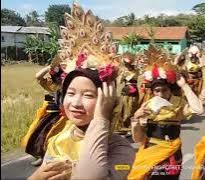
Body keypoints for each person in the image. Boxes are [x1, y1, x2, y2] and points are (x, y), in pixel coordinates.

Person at [28, 3, 135, 179]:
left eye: (88, 95)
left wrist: (102, 117)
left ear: (106, 97)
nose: (76, 103)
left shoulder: (121, 149)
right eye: (70, 93)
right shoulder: (58, 139)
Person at [128, 45, 204, 180]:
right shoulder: (147, 105)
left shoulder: (178, 103)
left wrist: (184, 85)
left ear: (170, 89)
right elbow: (138, 139)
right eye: (157, 91)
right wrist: (135, 120)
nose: (161, 94)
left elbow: (199, 109)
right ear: (152, 91)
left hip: (172, 153)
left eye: (164, 90)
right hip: (151, 151)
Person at [21, 62, 64, 166]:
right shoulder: (50, 84)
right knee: (39, 135)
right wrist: (49, 67)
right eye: (54, 77)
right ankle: (41, 155)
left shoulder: (67, 84)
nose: (57, 79)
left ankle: (51, 157)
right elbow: (38, 76)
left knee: (54, 138)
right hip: (49, 114)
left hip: (63, 116)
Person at [113, 52, 139, 135]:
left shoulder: (136, 70)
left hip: (134, 91)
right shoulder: (121, 70)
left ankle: (129, 126)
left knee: (132, 108)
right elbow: (119, 80)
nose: (128, 64)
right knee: (123, 108)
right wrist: (123, 76)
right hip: (125, 90)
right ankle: (121, 126)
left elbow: (139, 79)